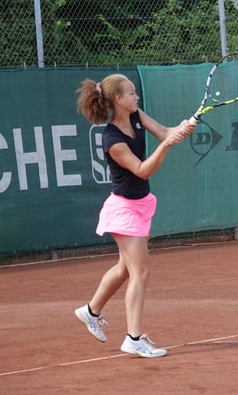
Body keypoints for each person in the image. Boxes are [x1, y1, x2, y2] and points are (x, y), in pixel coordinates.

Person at [74, 73, 195, 358]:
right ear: (118, 99)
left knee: (126, 268)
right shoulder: (112, 140)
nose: (136, 96)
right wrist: (167, 144)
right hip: (124, 210)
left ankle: (90, 311)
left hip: (141, 204)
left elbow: (164, 132)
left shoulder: (136, 115)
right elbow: (142, 170)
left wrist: (182, 128)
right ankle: (134, 338)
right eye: (131, 93)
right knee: (140, 271)